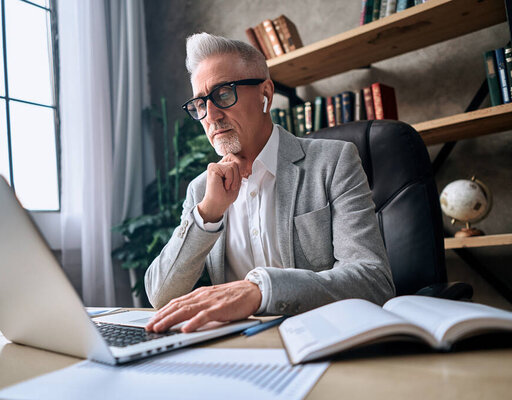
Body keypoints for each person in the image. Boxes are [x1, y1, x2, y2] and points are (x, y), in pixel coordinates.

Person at [144, 33, 394, 334]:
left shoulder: (333, 161)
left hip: (322, 339)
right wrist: (207, 215)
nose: (210, 115)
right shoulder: (201, 190)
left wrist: (261, 290)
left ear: (265, 94)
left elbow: (373, 281)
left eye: (223, 94)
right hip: (238, 350)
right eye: (200, 103)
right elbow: (160, 296)